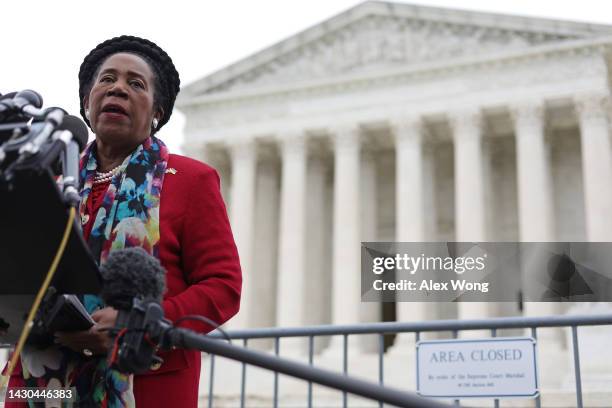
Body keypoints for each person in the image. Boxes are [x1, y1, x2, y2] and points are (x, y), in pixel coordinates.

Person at [5, 35, 242, 407]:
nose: (118, 88)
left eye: (136, 83)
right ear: (87, 102)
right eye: (107, 79)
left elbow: (223, 286)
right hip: (41, 385)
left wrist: (137, 322)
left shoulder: (191, 181)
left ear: (157, 111)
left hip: (146, 384)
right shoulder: (47, 180)